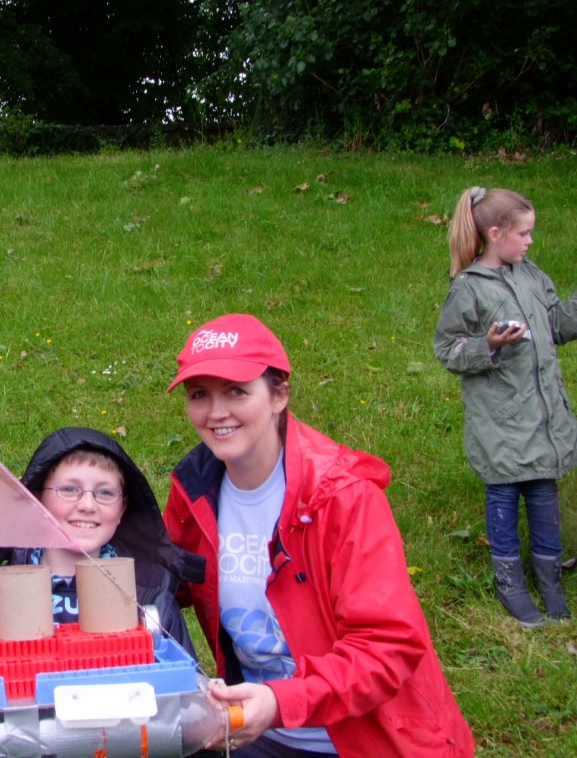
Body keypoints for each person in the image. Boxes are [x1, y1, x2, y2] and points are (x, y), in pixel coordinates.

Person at [163, 314, 474, 757]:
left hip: (362, 740)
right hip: (257, 733)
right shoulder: (195, 490)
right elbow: (160, 584)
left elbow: (388, 647)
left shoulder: (343, 496)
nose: (216, 412)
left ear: (279, 395)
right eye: (200, 395)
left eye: (236, 391)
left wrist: (279, 701)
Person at [434, 186, 575, 627]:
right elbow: (447, 348)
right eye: (525, 233)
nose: (531, 241)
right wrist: (488, 344)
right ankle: (510, 579)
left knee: (543, 489)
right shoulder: (469, 288)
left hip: (542, 411)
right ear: (496, 234)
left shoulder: (530, 274)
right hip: (501, 419)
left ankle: (549, 575)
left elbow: (553, 325)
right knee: (505, 491)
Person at [0, 427, 204, 657]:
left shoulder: (150, 603)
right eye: (69, 489)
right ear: (38, 499)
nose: (87, 505)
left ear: (123, 510)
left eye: (105, 492)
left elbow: (189, 700)